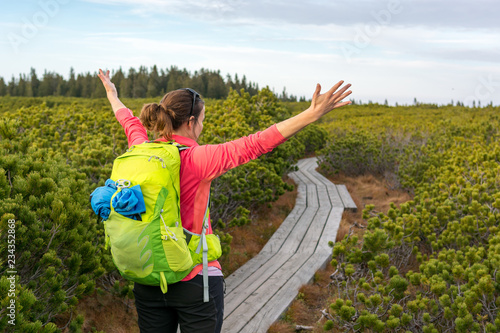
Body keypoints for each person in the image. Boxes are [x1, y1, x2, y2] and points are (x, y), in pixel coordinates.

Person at [97, 68, 351, 333]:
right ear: (191, 121)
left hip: (149, 278)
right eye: (203, 120)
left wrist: (112, 94)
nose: (203, 126)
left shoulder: (139, 149)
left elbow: (129, 122)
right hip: (195, 279)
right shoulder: (199, 159)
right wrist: (311, 114)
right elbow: (256, 143)